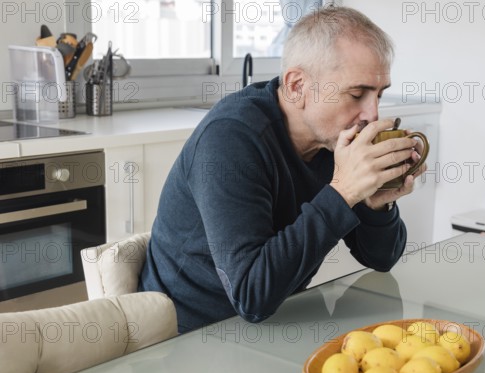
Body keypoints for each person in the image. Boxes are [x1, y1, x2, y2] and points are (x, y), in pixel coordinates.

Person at [138, 5, 427, 333]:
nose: (372, 114)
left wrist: (378, 204)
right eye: (357, 94)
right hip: (190, 335)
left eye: (379, 94)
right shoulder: (231, 139)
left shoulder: (332, 139)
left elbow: (382, 258)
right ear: (297, 86)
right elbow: (252, 295)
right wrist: (343, 192)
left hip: (279, 319)